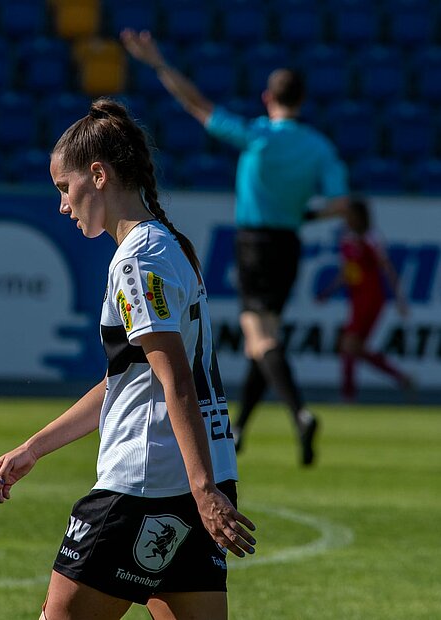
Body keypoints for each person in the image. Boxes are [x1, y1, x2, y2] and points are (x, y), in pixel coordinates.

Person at [0, 98, 256, 620]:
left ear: (98, 175)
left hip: (146, 484)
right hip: (197, 476)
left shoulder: (136, 261)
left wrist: (202, 490)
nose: (63, 205)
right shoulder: (170, 245)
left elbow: (176, 380)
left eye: (65, 187)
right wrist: (35, 448)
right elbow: (127, 381)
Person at [121, 30, 350, 466]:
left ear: (268, 98)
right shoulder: (319, 146)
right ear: (302, 100)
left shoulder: (258, 135)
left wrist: (159, 63)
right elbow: (341, 203)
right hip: (288, 244)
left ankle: (300, 413)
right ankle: (241, 426)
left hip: (254, 242)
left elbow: (198, 105)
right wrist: (306, 215)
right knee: (263, 339)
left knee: (260, 338)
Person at [316, 196, 412, 401]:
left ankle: (348, 395)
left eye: (350, 215)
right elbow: (347, 272)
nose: (346, 219)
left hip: (371, 298)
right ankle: (401, 378)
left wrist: (400, 300)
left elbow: (387, 268)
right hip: (356, 299)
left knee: (349, 345)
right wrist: (327, 292)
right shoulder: (346, 238)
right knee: (353, 347)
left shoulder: (371, 237)